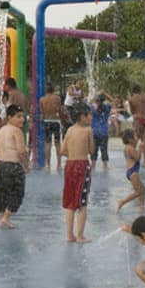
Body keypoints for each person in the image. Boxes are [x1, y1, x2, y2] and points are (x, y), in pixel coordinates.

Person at [59, 104, 93, 243]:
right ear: (82, 117)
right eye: (89, 115)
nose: (91, 117)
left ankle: (69, 235)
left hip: (69, 165)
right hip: (82, 165)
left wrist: (72, 154)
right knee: (82, 203)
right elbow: (91, 150)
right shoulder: (88, 130)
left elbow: (62, 151)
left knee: (70, 202)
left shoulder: (69, 130)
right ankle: (80, 236)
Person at [0, 104, 28, 229]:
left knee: (2, 192)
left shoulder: (2, 130)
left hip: (1, 165)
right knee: (17, 192)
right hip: (13, 166)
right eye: (18, 117)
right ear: (9, 117)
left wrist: (1, 159)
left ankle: (1, 218)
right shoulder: (17, 131)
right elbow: (21, 151)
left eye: (23, 117)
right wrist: (25, 165)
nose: (22, 120)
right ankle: (6, 218)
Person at [116, 129, 145, 213]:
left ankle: (142, 207)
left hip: (132, 171)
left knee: (143, 189)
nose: (137, 138)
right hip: (133, 172)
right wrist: (140, 149)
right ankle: (122, 202)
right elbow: (137, 158)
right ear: (130, 139)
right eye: (135, 136)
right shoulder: (130, 148)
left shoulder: (128, 147)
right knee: (138, 192)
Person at [39, 82, 65, 173]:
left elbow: (42, 113)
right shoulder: (57, 98)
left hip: (46, 122)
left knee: (48, 144)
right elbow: (59, 110)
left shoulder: (42, 99)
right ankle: (59, 164)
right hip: (56, 121)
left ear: (46, 90)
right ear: (53, 89)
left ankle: (48, 165)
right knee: (58, 143)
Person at [127, 86, 145, 166]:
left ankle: (133, 160)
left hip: (138, 120)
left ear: (133, 91)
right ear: (140, 91)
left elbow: (132, 111)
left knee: (135, 141)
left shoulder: (131, 99)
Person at [89, 95, 111, 172]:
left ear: (97, 102)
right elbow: (112, 101)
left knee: (94, 150)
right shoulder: (107, 109)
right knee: (104, 150)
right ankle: (105, 166)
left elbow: (89, 103)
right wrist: (105, 94)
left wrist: (95, 97)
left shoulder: (93, 110)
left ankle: (93, 166)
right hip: (104, 133)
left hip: (94, 133)